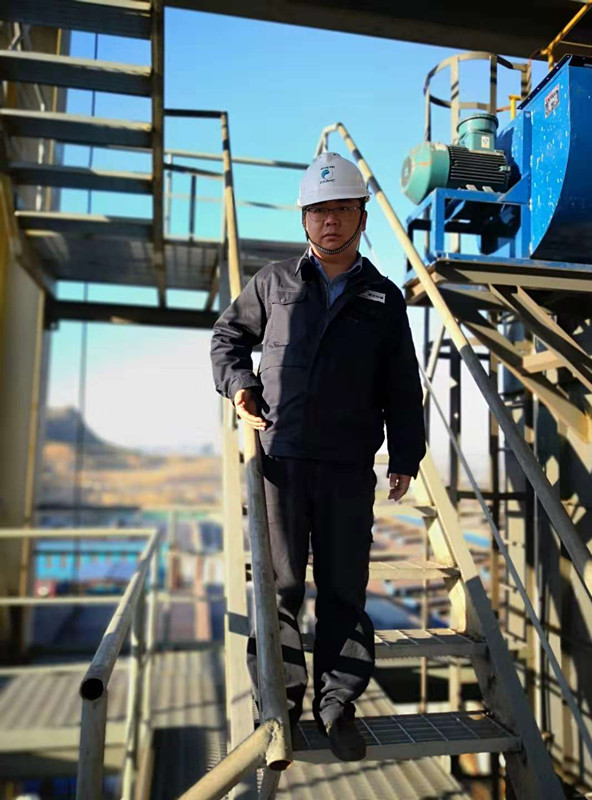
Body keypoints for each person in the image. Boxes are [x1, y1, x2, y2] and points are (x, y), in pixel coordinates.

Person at [210, 152, 426, 761]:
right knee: (278, 587)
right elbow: (228, 338)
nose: (330, 221)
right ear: (304, 219)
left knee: (342, 591)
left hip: (347, 466)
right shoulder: (274, 283)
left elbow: (401, 384)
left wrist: (405, 453)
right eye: (318, 211)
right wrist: (240, 386)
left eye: (341, 210)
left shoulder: (383, 298)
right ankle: (279, 703)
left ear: (362, 217)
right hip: (280, 460)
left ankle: (337, 706)